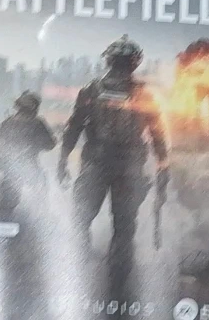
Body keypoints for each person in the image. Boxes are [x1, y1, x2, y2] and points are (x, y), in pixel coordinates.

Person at [58, 37, 168, 281]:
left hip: (96, 165)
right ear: (135, 63)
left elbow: (74, 127)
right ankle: (118, 279)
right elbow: (157, 135)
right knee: (124, 227)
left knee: (81, 219)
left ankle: (79, 271)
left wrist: (63, 160)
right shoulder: (144, 95)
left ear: (108, 60)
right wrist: (163, 167)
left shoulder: (91, 90)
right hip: (127, 168)